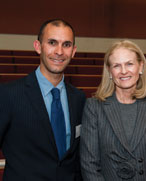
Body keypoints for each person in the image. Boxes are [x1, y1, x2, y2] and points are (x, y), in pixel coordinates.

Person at [0, 19, 86, 181]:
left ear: (73, 51)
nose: (59, 51)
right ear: (38, 46)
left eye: (66, 44)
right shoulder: (7, 95)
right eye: (52, 42)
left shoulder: (79, 99)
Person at [80, 40, 146, 180]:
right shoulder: (94, 107)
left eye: (129, 64)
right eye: (117, 65)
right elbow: (89, 165)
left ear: (140, 66)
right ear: (109, 71)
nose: (124, 71)